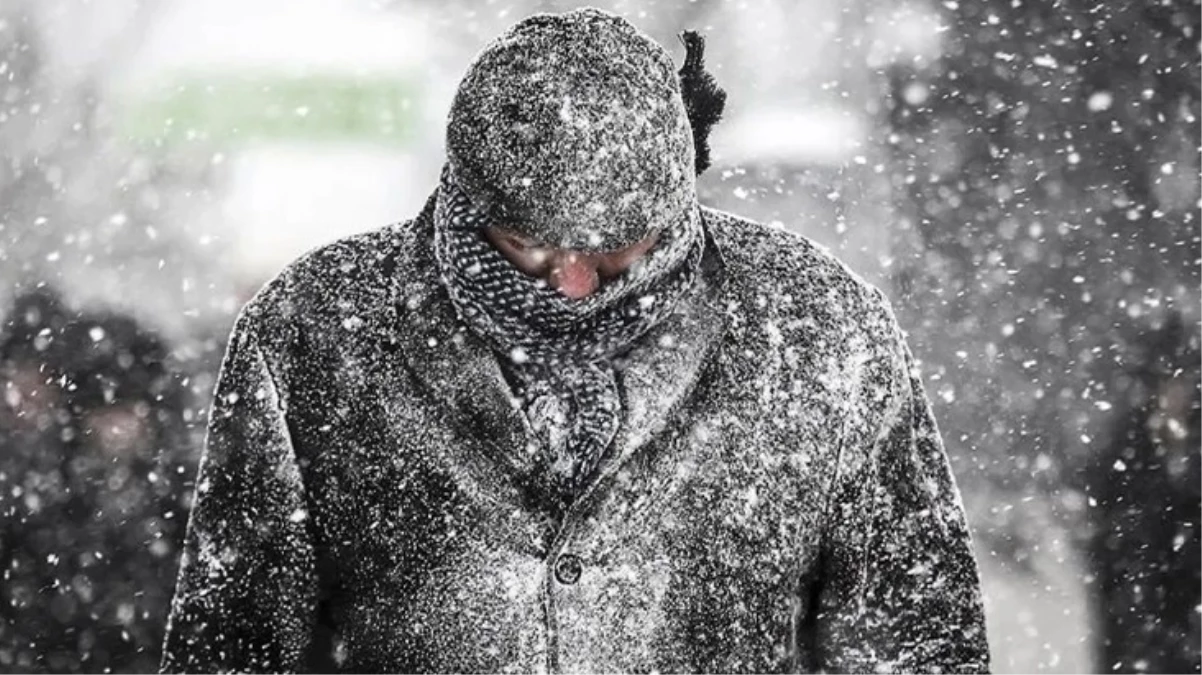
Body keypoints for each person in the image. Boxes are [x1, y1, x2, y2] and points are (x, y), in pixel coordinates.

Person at [161, 9, 990, 673]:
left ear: (675, 204)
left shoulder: (819, 333)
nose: (573, 283)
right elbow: (230, 644)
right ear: (465, 198)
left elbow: (914, 639)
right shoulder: (313, 334)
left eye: (613, 250)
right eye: (528, 244)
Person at [1, 288, 193, 673]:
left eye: (128, 406)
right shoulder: (39, 495)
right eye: (102, 408)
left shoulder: (184, 496)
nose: (117, 427)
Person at [1087, 312, 1202, 673]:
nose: (1176, 393)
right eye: (1168, 381)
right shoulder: (1126, 451)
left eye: (1186, 381)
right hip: (1140, 629)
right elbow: (1109, 552)